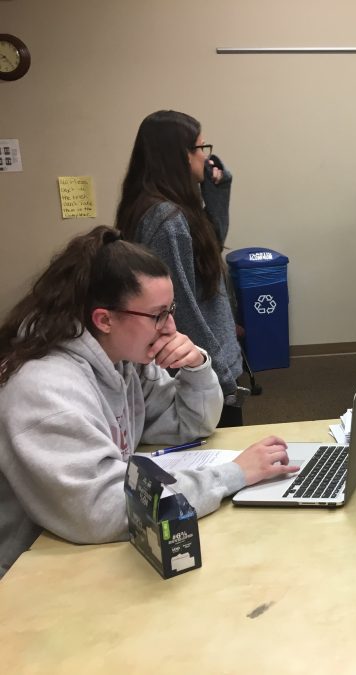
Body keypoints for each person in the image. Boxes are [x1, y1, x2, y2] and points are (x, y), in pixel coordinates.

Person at [0, 227, 298, 578]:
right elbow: (104, 511)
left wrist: (197, 369)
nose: (171, 327)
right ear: (104, 319)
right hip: (28, 572)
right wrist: (232, 475)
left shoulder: (123, 360)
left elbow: (189, 425)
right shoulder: (45, 393)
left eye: (170, 310)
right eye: (158, 315)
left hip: (75, 549)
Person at [115, 110, 245, 426]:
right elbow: (180, 306)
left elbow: (208, 249)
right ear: (182, 157)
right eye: (201, 148)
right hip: (196, 368)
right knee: (219, 454)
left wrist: (217, 189)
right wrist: (217, 369)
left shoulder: (170, 208)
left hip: (199, 363)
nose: (206, 156)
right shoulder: (167, 221)